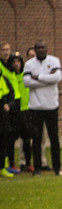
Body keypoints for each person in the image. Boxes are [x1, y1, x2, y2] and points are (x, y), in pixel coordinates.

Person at [23, 40, 62, 176]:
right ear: (35, 50)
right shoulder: (29, 64)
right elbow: (27, 82)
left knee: (54, 138)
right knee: (36, 139)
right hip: (35, 106)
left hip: (51, 105)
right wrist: (47, 79)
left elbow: (57, 77)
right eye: (38, 48)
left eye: (43, 47)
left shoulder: (54, 60)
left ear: (47, 49)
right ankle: (37, 169)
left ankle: (57, 168)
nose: (41, 50)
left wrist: (38, 77)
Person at [0, 43, 22, 174]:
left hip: (14, 102)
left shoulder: (13, 64)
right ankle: (5, 164)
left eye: (8, 49)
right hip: (4, 103)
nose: (6, 52)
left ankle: (10, 163)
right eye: (3, 50)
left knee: (11, 136)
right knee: (5, 135)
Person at [0, 63, 15, 178]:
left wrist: (9, 104)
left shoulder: (3, 79)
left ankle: (2, 167)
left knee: (4, 140)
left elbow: (11, 94)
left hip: (3, 116)